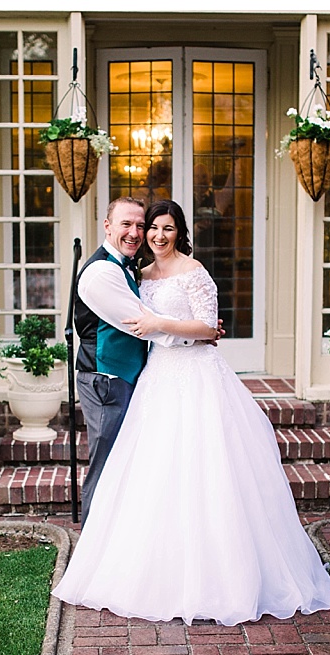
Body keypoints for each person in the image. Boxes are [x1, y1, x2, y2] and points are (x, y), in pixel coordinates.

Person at [54, 200, 330, 626]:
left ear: (179, 232)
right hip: (152, 377)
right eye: (148, 227)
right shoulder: (126, 273)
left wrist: (186, 330)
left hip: (196, 377)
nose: (154, 235)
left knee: (209, 468)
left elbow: (205, 326)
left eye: (164, 228)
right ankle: (135, 559)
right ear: (114, 226)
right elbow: (142, 323)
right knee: (148, 469)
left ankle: (217, 570)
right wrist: (181, 331)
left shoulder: (192, 270)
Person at [72, 197, 193, 522]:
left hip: (124, 377)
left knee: (124, 462)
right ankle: (92, 541)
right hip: (105, 379)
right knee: (107, 462)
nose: (135, 232)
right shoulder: (100, 273)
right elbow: (141, 323)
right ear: (108, 226)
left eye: (141, 225)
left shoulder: (127, 267)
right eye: (127, 224)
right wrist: (195, 334)